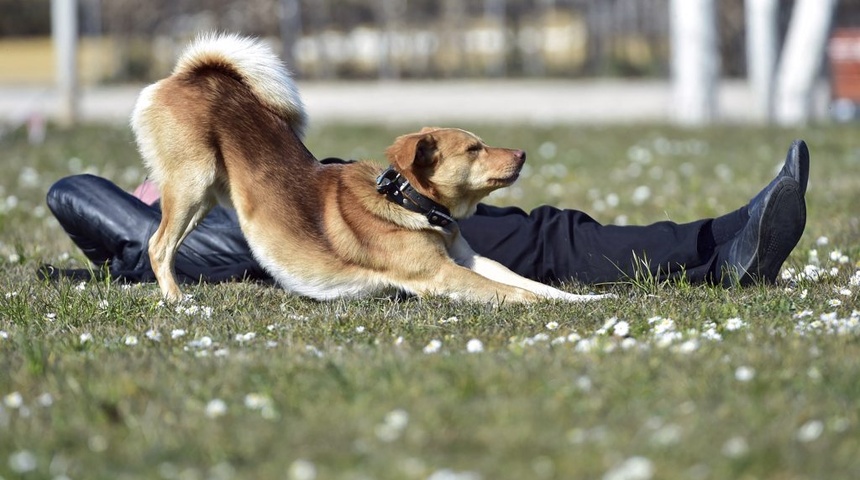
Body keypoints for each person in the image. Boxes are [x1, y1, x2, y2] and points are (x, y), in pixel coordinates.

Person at [41, 140, 809, 289]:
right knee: (545, 238)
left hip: (345, 201)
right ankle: (723, 251)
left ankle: (722, 246)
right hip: (335, 240)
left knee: (542, 232)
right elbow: (70, 191)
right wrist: (161, 205)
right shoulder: (172, 245)